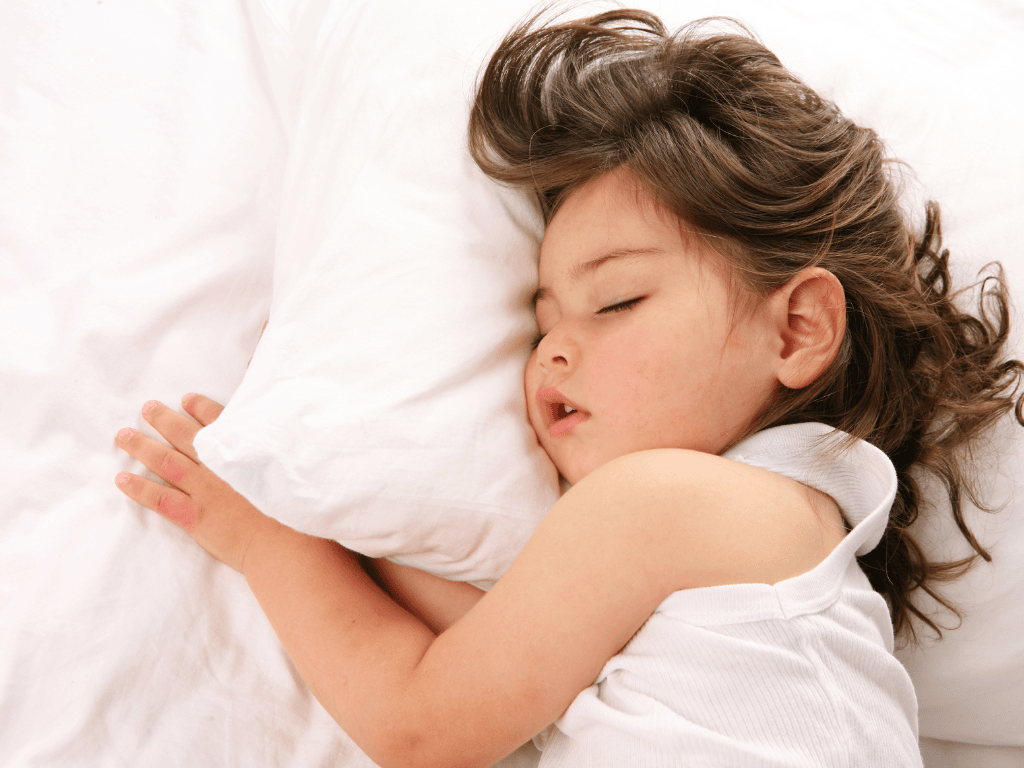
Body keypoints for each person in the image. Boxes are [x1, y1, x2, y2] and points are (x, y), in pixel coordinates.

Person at [113, 9, 1023, 767]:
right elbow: (509, 657)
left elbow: (427, 722)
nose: (551, 353)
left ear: (796, 330)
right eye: (543, 321)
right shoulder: (768, 550)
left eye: (616, 301)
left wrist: (270, 540)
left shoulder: (677, 504)